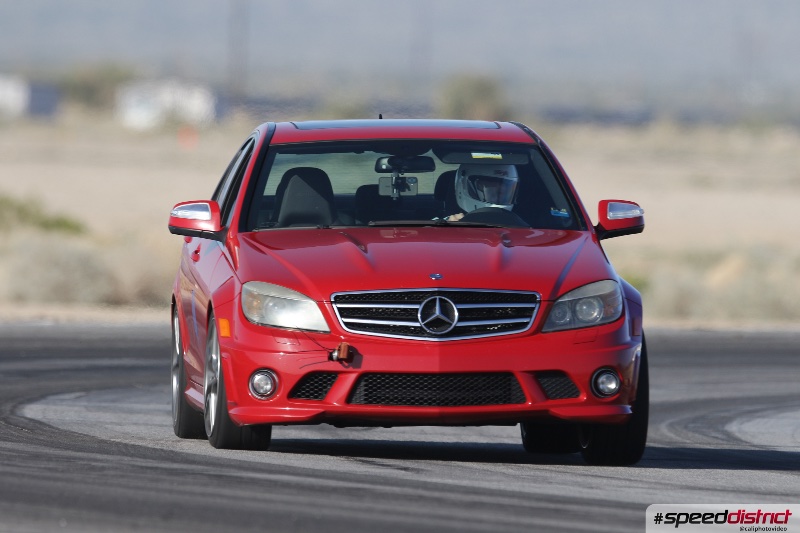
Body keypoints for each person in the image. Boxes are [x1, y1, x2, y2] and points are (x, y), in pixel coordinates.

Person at [445, 163, 519, 221]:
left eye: (505, 192)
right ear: (463, 186)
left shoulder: (519, 227)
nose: (499, 196)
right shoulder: (446, 224)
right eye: (492, 191)